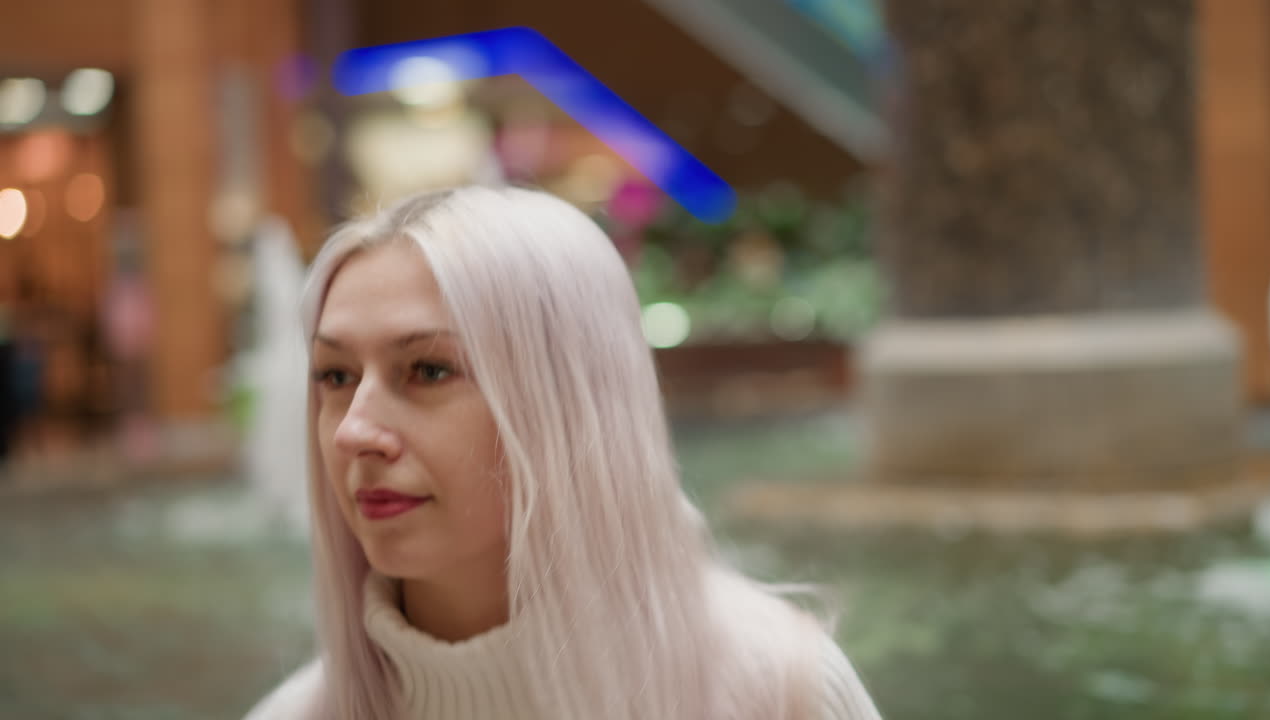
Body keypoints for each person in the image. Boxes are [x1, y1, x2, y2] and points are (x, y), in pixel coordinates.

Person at [244, 186, 881, 720]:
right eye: (335, 376)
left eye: (429, 370)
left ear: (568, 401)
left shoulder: (781, 692)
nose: (354, 431)